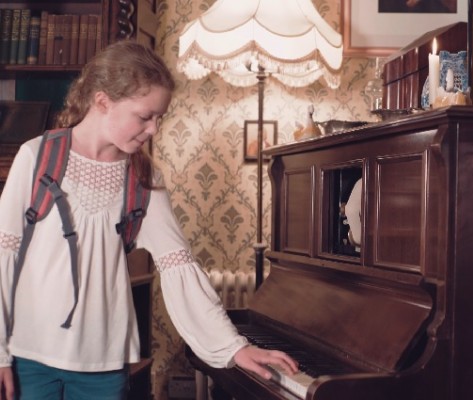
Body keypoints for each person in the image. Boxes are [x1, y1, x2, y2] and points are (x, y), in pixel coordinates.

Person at [0, 40, 297, 400]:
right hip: (28, 356)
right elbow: (4, 257)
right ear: (102, 101)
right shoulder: (36, 157)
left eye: (161, 117)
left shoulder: (143, 178)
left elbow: (178, 266)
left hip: (104, 364)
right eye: (144, 116)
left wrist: (233, 347)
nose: (154, 129)